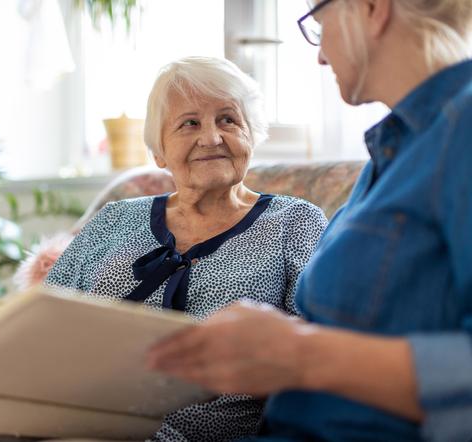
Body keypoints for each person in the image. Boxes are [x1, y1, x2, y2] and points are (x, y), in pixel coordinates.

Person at [0, 56, 328, 442]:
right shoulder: (117, 218)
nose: (211, 137)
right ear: (159, 151)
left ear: (252, 134)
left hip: (185, 428)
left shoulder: (294, 221)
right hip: (64, 403)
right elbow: (38, 318)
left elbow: (310, 347)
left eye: (228, 119)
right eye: (189, 123)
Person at [146, 1, 472, 441]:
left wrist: (299, 353)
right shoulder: (394, 151)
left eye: (319, 25)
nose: (320, 55)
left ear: (372, 9)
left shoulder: (462, 130)